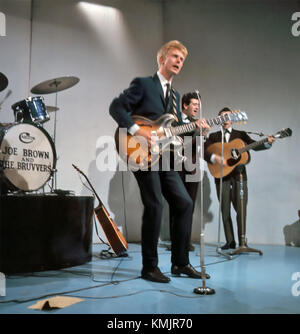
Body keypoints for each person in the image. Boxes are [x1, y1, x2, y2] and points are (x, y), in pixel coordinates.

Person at [109, 40, 210, 283]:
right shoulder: (144, 84)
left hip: (164, 157)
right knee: (155, 204)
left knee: (185, 203)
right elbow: (116, 107)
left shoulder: (175, 96)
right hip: (139, 152)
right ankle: (149, 267)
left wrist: (196, 129)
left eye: (182, 59)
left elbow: (171, 131)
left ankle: (180, 263)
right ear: (162, 59)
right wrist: (138, 130)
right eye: (175, 56)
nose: (179, 62)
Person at [204, 107, 275, 250]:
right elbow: (206, 152)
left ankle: (242, 240)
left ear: (233, 119)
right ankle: (230, 241)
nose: (225, 120)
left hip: (239, 176)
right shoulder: (213, 137)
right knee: (224, 210)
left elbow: (255, 146)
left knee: (241, 209)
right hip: (221, 177)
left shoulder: (240, 134)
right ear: (218, 120)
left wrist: (267, 143)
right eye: (222, 117)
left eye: (228, 117)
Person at [167, 92, 202, 252]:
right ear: (185, 105)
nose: (197, 107)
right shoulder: (173, 122)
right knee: (175, 206)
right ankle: (175, 242)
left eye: (198, 104)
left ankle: (185, 242)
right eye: (194, 104)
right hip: (175, 167)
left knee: (190, 206)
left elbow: (195, 146)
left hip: (192, 168)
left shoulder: (199, 124)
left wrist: (201, 134)